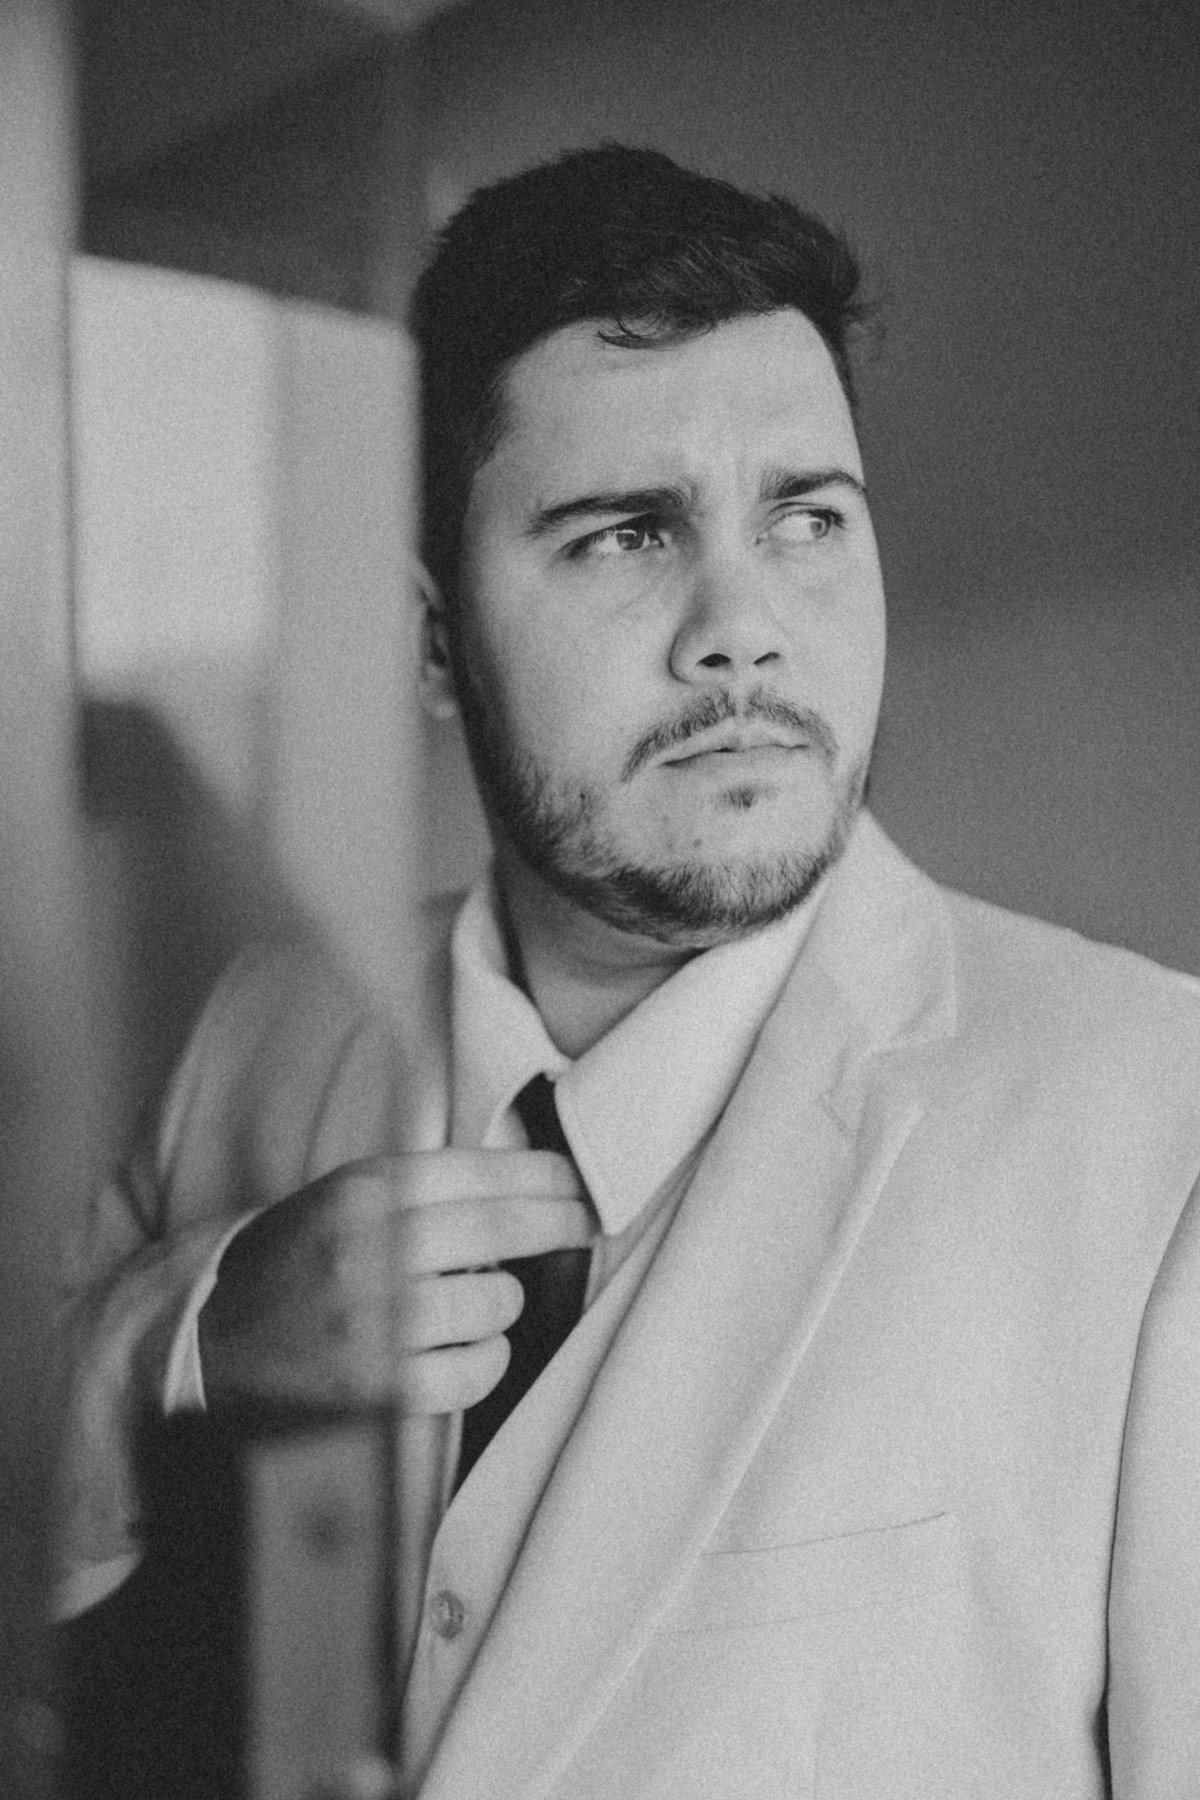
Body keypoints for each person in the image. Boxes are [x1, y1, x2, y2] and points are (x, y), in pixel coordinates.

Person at [59, 145, 1200, 1798]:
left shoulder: (1157, 1127)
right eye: (624, 536)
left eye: (807, 518)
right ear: (433, 640)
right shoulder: (264, 1028)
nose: (744, 624)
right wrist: (169, 1346)